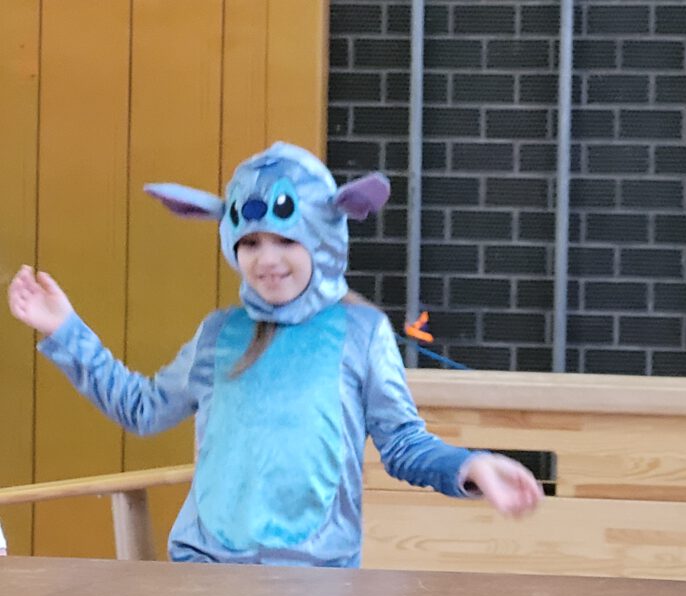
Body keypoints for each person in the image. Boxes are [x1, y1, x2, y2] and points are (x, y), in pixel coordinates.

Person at [7, 142, 542, 568]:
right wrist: (65, 330)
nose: (267, 259)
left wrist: (470, 465)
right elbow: (142, 409)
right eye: (250, 243)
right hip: (204, 574)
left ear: (324, 237)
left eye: (286, 240)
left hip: (314, 583)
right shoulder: (219, 333)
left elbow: (403, 443)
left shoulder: (361, 333)